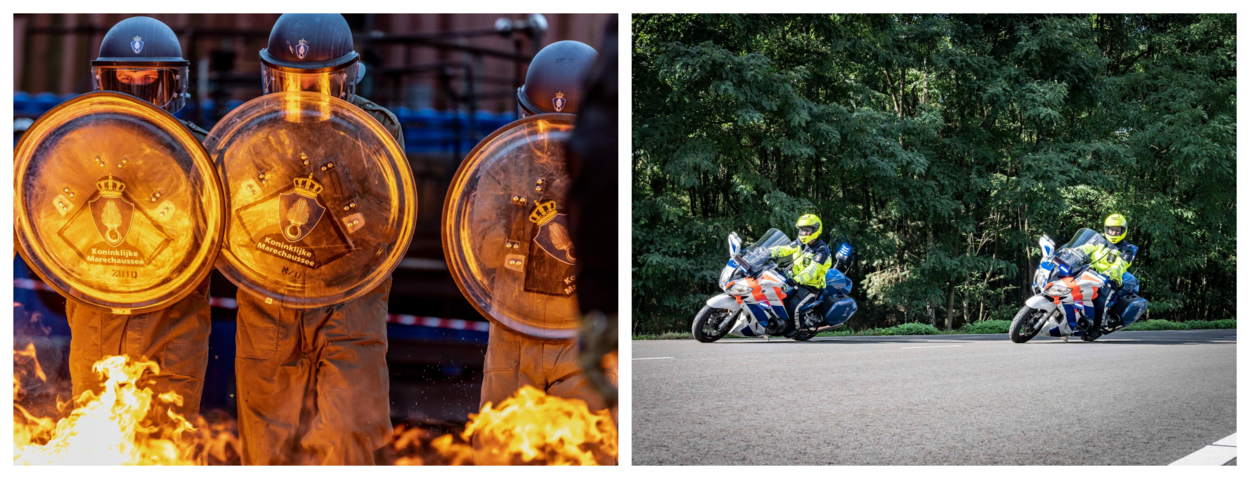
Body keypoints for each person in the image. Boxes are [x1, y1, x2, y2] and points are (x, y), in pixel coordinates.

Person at [232, 13, 403, 465]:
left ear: (344, 79)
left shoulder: (376, 132)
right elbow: (229, 217)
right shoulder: (249, 133)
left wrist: (345, 199)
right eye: (291, 80)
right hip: (271, 297)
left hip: (350, 299)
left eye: (316, 82)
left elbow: (389, 223)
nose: (302, 93)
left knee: (348, 434)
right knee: (267, 441)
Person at [65, 15, 211, 421]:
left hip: (173, 326)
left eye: (148, 77)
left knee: (167, 448)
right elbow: (40, 224)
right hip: (97, 318)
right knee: (95, 442)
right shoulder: (72, 149)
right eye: (125, 76)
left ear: (171, 82)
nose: (136, 88)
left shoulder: (202, 153)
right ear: (105, 81)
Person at [477, 39, 615, 426]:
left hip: (581, 337)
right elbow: (480, 248)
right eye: (540, 124)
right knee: (499, 449)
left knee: (585, 446)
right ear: (523, 114)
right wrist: (517, 233)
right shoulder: (504, 165)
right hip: (513, 336)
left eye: (564, 129)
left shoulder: (607, 173)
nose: (550, 138)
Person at [768, 214, 833, 336]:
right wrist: (767, 252)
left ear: (816, 230)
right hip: (793, 280)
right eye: (802, 230)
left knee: (793, 307)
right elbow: (785, 249)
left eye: (807, 230)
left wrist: (797, 279)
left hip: (811, 286)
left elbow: (812, 270)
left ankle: (798, 329)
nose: (804, 233)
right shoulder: (800, 243)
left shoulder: (821, 251)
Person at [1076, 213, 1137, 341]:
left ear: (1123, 230)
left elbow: (1121, 264)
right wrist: (1071, 252)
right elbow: (1085, 248)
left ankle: (1097, 327)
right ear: (1106, 229)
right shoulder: (1098, 241)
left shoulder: (1127, 249)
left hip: (1109, 279)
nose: (1114, 233)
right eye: (1111, 229)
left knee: (1100, 298)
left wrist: (1111, 272)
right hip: (1088, 273)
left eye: (1117, 230)